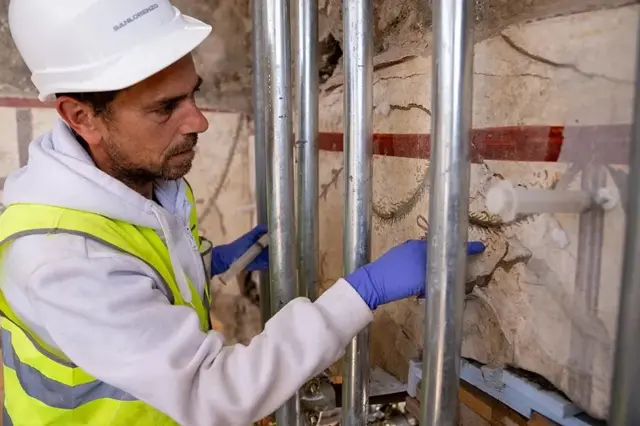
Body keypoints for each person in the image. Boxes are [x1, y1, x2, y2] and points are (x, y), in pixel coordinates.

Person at [0, 1, 486, 425]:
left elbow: (138, 279)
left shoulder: (129, 180)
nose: (198, 120)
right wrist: (362, 293)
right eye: (165, 107)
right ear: (81, 118)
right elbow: (213, 394)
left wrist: (214, 261)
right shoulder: (63, 259)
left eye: (193, 92)